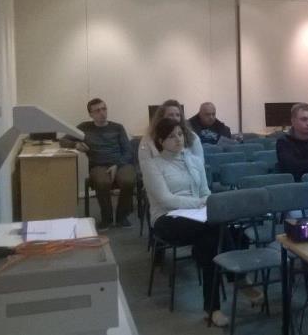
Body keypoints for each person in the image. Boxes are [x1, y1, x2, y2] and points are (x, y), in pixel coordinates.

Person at [142, 118, 227, 326]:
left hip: (197, 217)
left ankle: (213, 308)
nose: (178, 139)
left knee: (212, 237)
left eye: (180, 134)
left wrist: (206, 202)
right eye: (171, 136)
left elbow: (205, 191)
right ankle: (234, 280)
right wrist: (199, 203)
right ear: (161, 141)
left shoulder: (194, 160)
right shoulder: (153, 165)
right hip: (166, 218)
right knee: (215, 232)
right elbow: (166, 200)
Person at [61, 98, 136, 230]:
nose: (102, 113)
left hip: (120, 163)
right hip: (98, 165)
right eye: (97, 110)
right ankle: (106, 218)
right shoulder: (84, 127)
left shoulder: (117, 127)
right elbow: (63, 140)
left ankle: (121, 216)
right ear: (91, 114)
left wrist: (117, 165)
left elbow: (128, 151)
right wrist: (76, 144)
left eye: (104, 109)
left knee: (129, 180)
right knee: (102, 182)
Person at [139, 99, 203, 168]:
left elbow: (200, 163)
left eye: (178, 115)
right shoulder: (148, 139)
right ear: (161, 118)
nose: (175, 118)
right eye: (170, 115)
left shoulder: (193, 137)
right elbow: (145, 165)